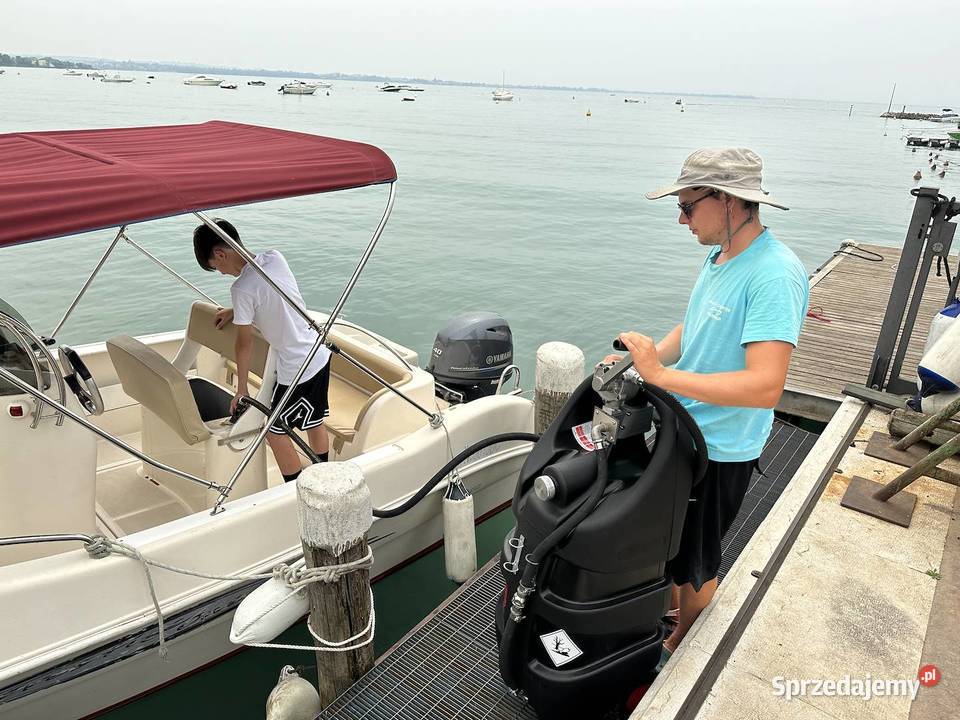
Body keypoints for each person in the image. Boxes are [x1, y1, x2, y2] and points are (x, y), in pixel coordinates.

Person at [608, 148, 808, 659]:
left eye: (688, 205)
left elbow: (766, 385)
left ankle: (681, 643)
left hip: (722, 447)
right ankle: (675, 613)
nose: (681, 218)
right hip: (685, 430)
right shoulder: (719, 256)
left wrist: (662, 374)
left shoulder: (774, 275)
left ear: (727, 200)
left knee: (698, 557)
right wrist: (644, 359)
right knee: (675, 540)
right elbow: (693, 328)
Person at [193, 219, 330, 482]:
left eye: (216, 267)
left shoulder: (241, 289)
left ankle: (298, 487)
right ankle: (324, 474)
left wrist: (242, 390)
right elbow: (271, 294)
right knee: (314, 421)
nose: (221, 273)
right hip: (317, 353)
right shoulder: (275, 258)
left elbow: (244, 344)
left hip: (298, 368)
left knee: (273, 430)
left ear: (221, 254)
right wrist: (236, 311)